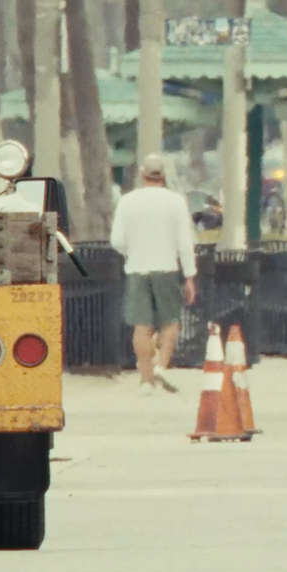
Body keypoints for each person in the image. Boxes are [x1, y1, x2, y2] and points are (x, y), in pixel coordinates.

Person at [109, 153, 200, 393]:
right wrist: (189, 276)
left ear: (142, 175)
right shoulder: (176, 202)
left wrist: (132, 252)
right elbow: (184, 242)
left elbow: (117, 240)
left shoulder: (127, 201)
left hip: (137, 270)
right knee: (170, 322)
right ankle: (161, 365)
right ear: (164, 176)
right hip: (167, 268)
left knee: (142, 326)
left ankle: (146, 380)